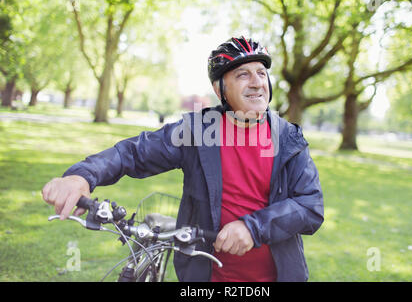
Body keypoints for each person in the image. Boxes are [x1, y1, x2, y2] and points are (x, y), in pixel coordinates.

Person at [42, 36, 324, 282]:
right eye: (242, 75)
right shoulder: (198, 132)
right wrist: (81, 175)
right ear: (219, 90)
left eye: (261, 73)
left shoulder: (288, 138)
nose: (256, 83)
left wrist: (253, 227)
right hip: (205, 275)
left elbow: (310, 206)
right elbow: (135, 152)